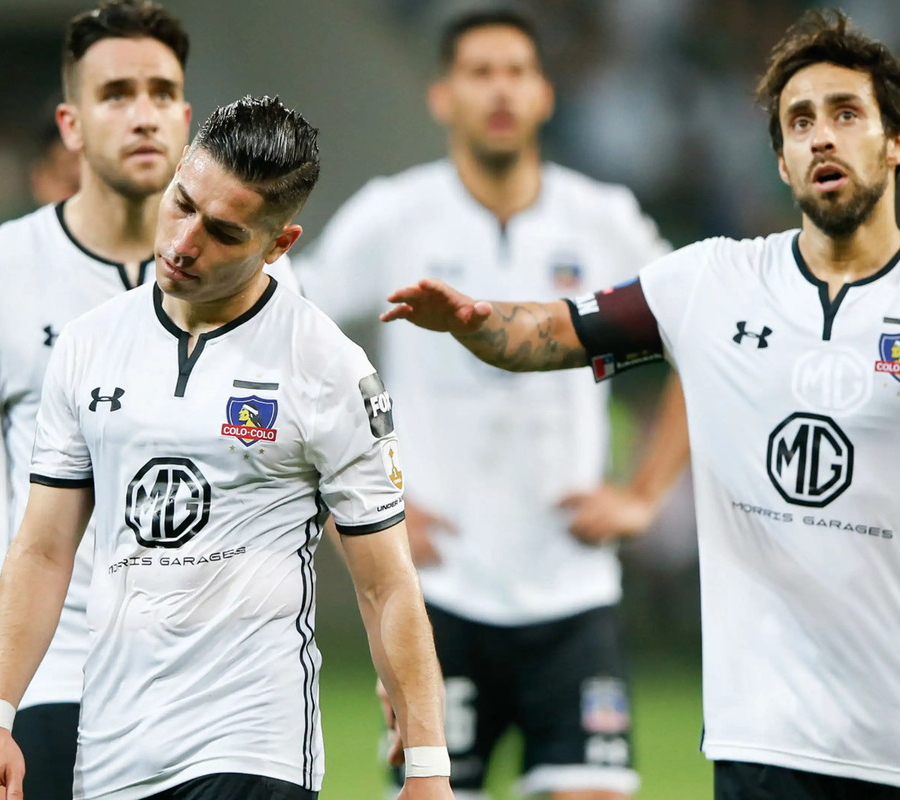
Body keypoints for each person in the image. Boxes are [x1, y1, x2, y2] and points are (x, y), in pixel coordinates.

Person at [382, 11, 900, 800]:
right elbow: (550, 331)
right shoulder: (710, 283)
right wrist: (476, 324)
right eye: (799, 122)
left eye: (847, 114)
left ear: (897, 142)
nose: (821, 136)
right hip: (759, 744)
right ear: (782, 161)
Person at [0, 95, 454, 800]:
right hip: (112, 749)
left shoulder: (325, 366)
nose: (184, 242)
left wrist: (429, 767)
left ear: (278, 244)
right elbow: (41, 549)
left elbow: (386, 583)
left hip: (255, 741)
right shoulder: (87, 345)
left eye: (223, 232)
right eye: (181, 202)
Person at [298, 9, 686, 800]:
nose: (500, 89)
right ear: (442, 96)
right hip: (438, 592)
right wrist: (355, 509)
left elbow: (708, 335)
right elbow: (283, 341)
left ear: (544, 93)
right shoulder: (395, 215)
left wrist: (643, 494)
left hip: (571, 587)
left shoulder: (601, 217)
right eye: (479, 72)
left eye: (516, 71)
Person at [0, 2, 297, 796]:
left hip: (219, 684)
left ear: (186, 118)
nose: (141, 115)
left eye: (159, 92)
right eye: (115, 94)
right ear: (71, 125)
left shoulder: (262, 280)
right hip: (60, 670)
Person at [0, 100, 81, 777]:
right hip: (8, 602)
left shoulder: (174, 279)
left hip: (146, 613)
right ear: (40, 179)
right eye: (68, 176)